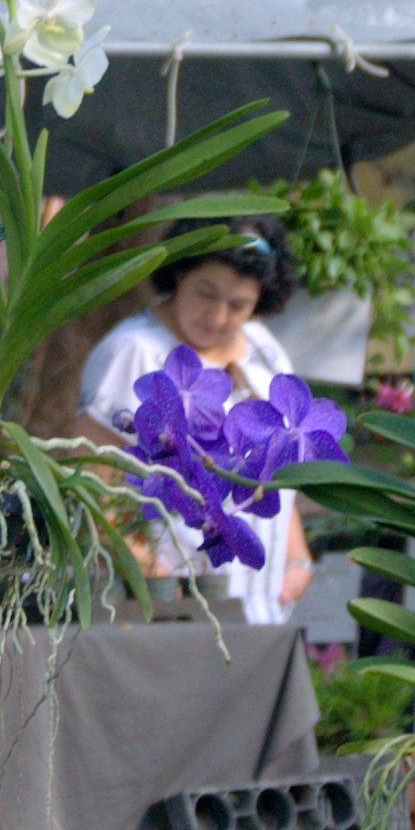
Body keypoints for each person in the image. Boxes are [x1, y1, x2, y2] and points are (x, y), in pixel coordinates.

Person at [78, 223, 319, 623]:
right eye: (205, 294)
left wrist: (297, 557)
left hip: (264, 601)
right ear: (179, 273)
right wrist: (147, 569)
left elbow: (275, 465)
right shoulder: (133, 351)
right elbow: (91, 472)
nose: (218, 315)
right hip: (177, 602)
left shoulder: (264, 348)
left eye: (239, 304)